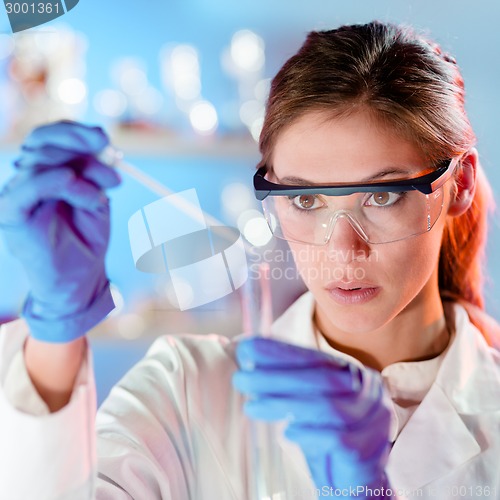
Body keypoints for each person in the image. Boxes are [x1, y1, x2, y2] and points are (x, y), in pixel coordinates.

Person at [0, 20, 499, 500]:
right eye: (306, 200)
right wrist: (55, 338)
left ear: (460, 184)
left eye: (382, 196)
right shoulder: (186, 389)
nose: (343, 251)